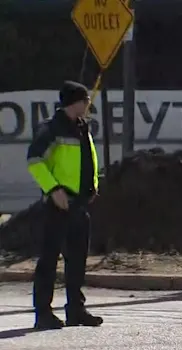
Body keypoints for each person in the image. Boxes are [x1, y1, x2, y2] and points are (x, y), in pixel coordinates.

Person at [27, 81, 103, 330]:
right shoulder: (51, 129)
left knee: (77, 259)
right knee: (49, 259)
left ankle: (75, 309)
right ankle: (43, 313)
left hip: (79, 204)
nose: (88, 105)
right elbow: (35, 161)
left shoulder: (82, 128)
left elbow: (85, 161)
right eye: (85, 100)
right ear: (75, 102)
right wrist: (53, 190)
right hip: (58, 204)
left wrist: (92, 188)